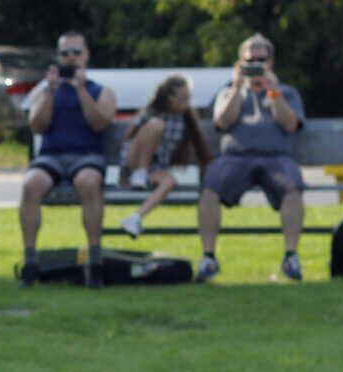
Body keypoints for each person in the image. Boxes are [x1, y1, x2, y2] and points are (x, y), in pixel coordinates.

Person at [196, 34, 307, 283]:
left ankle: (291, 257)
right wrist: (238, 87)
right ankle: (209, 258)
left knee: (293, 188)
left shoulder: (286, 92)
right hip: (236, 157)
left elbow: (290, 125)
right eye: (250, 61)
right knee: (210, 187)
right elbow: (223, 123)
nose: (256, 65)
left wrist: (273, 91)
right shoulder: (228, 91)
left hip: (276, 158)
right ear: (240, 64)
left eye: (261, 60)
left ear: (271, 62)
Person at [18, 29, 117, 289]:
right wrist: (51, 92)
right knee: (30, 184)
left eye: (76, 52)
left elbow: (99, 123)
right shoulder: (45, 90)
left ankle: (94, 261)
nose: (71, 57)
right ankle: (30, 262)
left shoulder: (101, 91)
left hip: (86, 157)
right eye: (65, 53)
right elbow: (37, 126)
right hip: (51, 157)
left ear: (86, 55)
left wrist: (81, 89)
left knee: (89, 183)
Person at [115, 75, 211, 239]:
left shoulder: (186, 119)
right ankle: (140, 172)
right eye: (182, 99)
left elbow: (201, 148)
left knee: (170, 181)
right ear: (169, 98)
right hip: (134, 161)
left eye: (189, 98)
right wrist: (123, 173)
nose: (187, 103)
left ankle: (136, 218)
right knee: (156, 125)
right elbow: (129, 137)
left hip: (155, 167)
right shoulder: (152, 112)